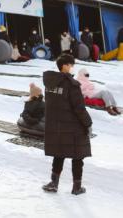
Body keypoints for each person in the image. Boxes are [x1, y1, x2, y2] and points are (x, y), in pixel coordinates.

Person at [42, 54, 92, 195]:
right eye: (71, 65)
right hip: (73, 127)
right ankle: (77, 187)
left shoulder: (50, 84)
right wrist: (88, 123)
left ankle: (53, 183)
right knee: (77, 156)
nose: (72, 68)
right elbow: (79, 109)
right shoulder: (72, 85)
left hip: (56, 126)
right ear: (64, 65)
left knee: (59, 154)